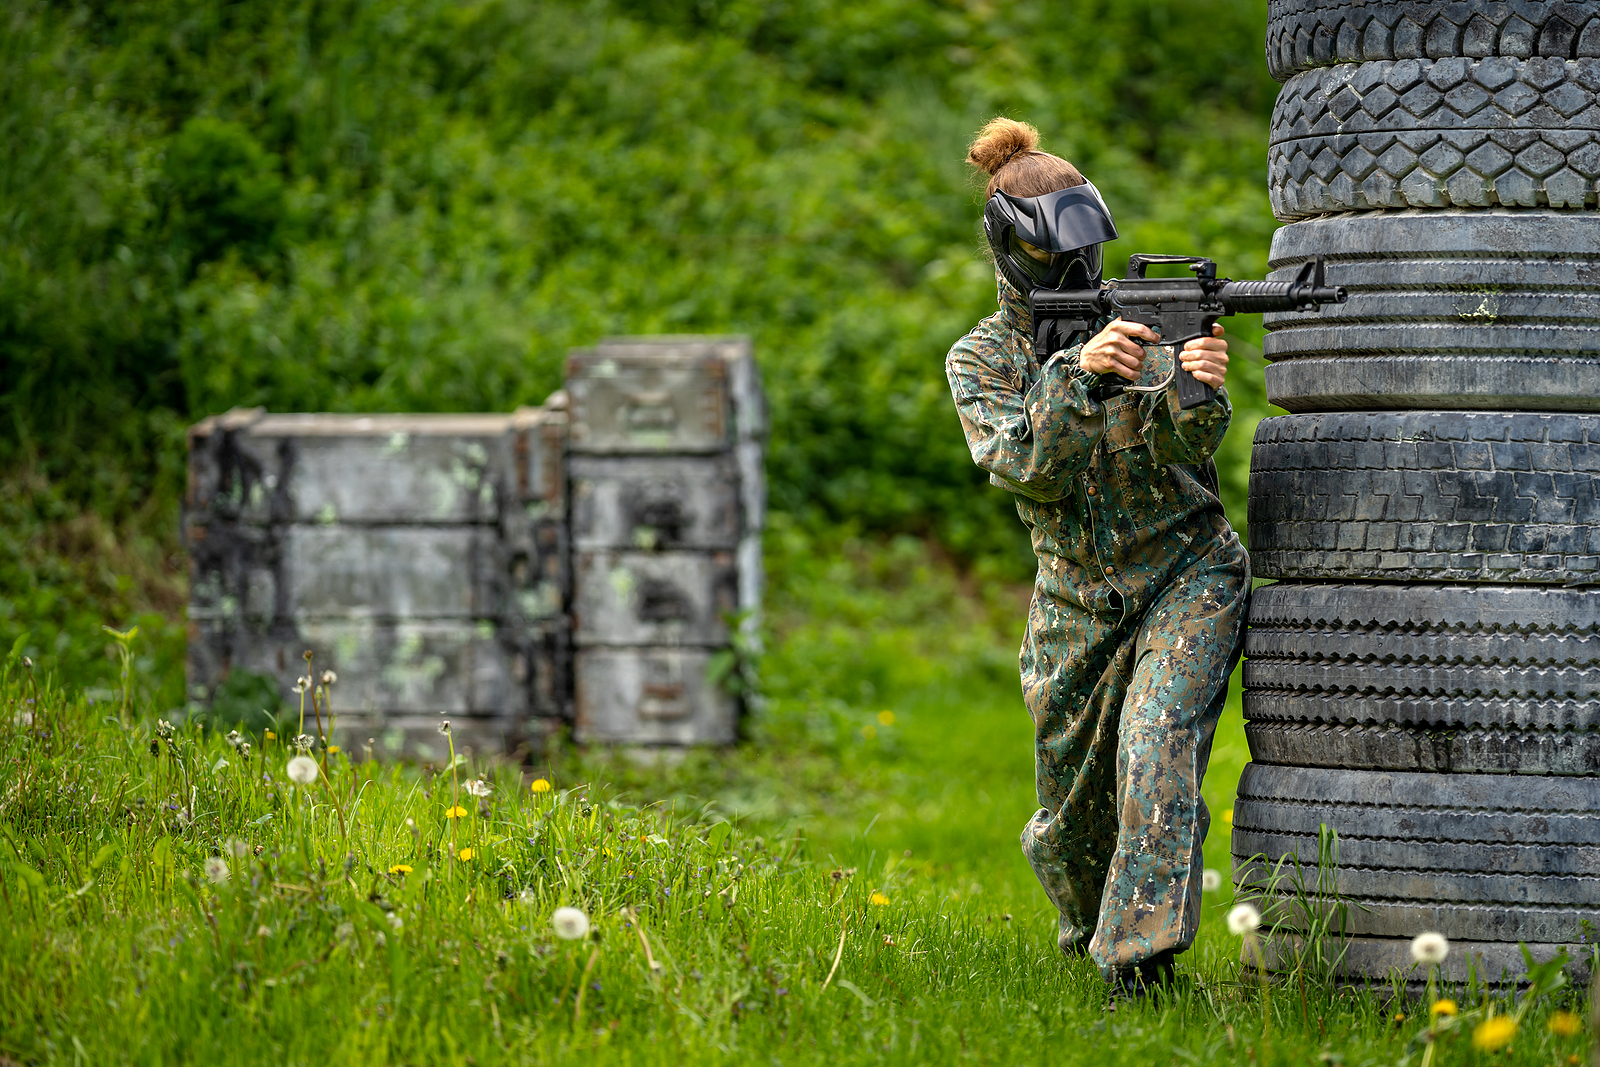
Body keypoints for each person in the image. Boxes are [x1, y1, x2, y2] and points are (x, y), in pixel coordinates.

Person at [945, 117, 1249, 1001]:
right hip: (1075, 602)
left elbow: (1188, 453)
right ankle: (1093, 929)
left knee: (1155, 752)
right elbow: (1024, 467)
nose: (1076, 274)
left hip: (1185, 574)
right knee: (1071, 827)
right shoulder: (982, 358)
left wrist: (1196, 383)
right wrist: (1079, 374)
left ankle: (1139, 968)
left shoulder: (1138, 326)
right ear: (1015, 253)